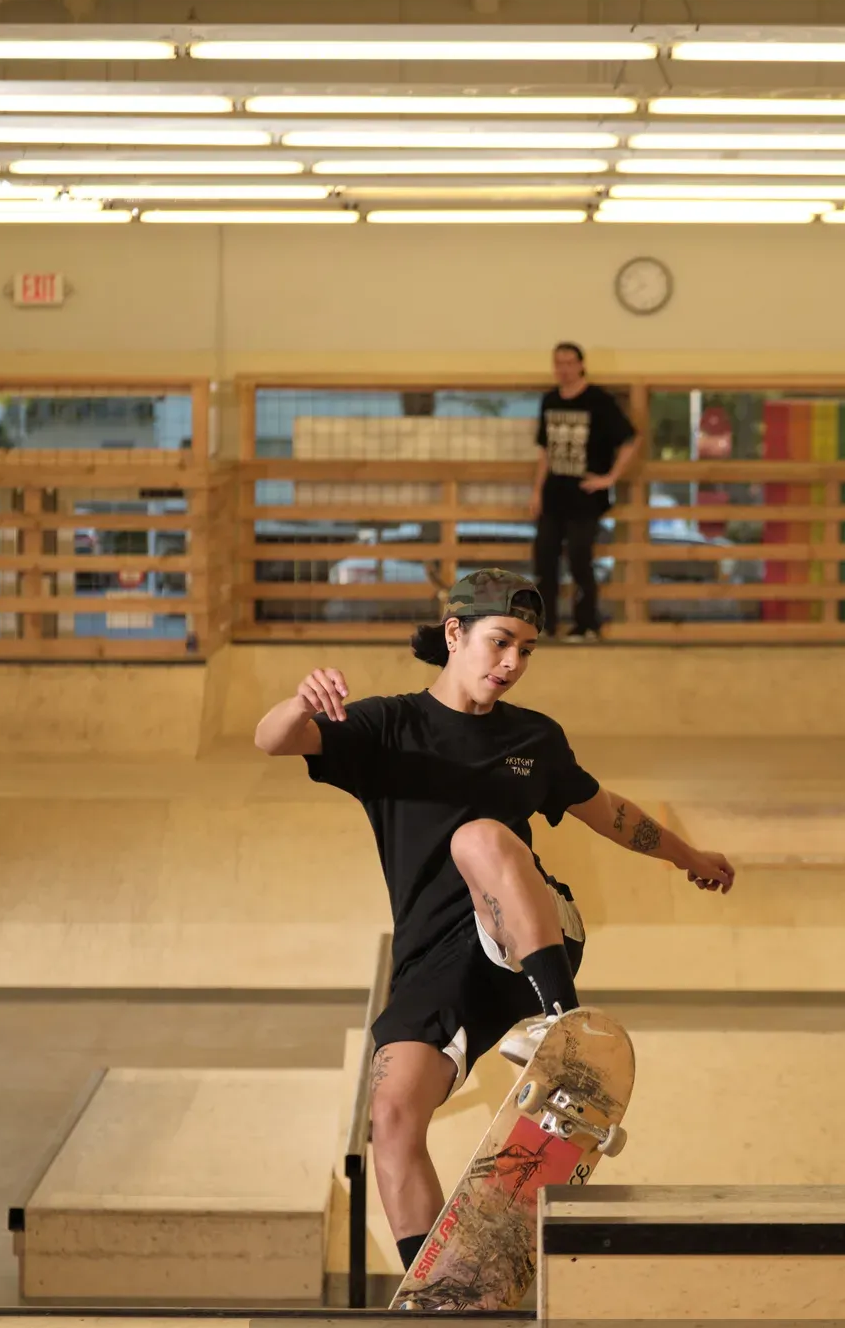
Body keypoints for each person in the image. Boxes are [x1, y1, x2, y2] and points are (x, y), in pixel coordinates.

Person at [253, 568, 734, 1275]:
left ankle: (563, 1029)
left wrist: (690, 855)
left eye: (527, 650)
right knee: (389, 1114)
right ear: (455, 634)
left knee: (476, 837)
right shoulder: (389, 726)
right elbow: (271, 740)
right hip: (433, 965)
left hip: (526, 936)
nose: (512, 664)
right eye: (501, 642)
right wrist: (302, 702)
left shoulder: (534, 739)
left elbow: (611, 814)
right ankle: (436, 1287)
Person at [531, 342, 639, 642]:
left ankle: (586, 623)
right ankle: (546, 623)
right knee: (544, 559)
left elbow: (630, 440)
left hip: (586, 496)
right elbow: (544, 450)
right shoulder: (550, 400)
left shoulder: (599, 400)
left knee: (580, 558)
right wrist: (537, 491)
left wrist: (610, 478)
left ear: (581, 364)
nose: (563, 369)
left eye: (568, 362)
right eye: (558, 363)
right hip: (554, 494)